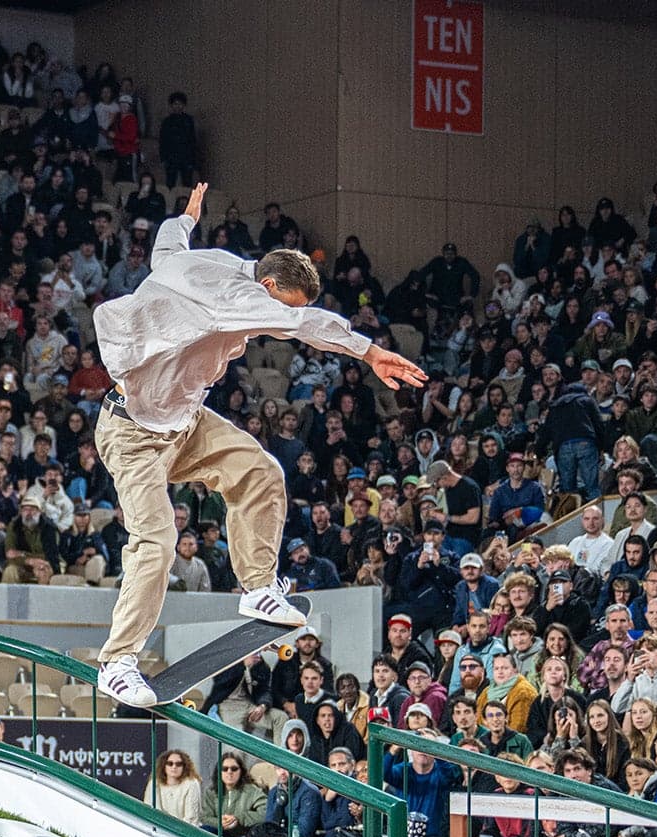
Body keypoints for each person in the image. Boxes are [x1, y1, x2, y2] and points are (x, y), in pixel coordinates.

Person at [91, 181, 427, 707]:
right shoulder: (236, 296)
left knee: (262, 472)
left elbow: (166, 248)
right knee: (155, 543)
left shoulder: (221, 264)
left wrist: (185, 218)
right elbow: (304, 325)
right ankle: (117, 663)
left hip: (186, 423)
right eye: (280, 306)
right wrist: (367, 351)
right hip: (132, 434)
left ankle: (258, 587)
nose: (272, 323)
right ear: (268, 285)